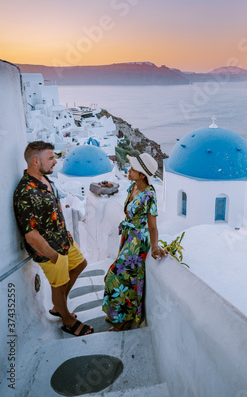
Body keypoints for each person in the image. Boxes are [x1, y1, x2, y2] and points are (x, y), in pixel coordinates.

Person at [13, 141, 94, 337]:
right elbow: (31, 235)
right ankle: (67, 320)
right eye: (50, 158)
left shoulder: (45, 180)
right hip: (49, 249)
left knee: (80, 264)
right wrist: (54, 256)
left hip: (64, 240)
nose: (55, 161)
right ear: (35, 161)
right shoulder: (25, 193)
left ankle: (60, 306)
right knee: (58, 285)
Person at [103, 152, 168, 331]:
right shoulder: (133, 188)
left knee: (115, 277)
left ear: (142, 175)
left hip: (137, 241)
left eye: (133, 169)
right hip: (128, 236)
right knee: (127, 280)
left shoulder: (149, 195)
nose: (129, 171)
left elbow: (152, 225)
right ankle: (119, 315)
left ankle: (123, 319)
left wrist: (155, 246)